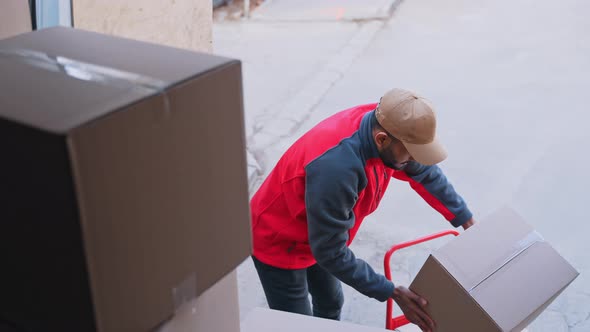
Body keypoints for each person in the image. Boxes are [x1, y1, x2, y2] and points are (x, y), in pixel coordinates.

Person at [249, 88, 475, 332]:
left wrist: (467, 220)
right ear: (381, 140)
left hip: (321, 234)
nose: (413, 160)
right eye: (410, 154)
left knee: (331, 300)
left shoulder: (388, 124)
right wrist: (391, 290)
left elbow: (424, 173)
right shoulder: (337, 169)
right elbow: (330, 252)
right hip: (280, 240)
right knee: (296, 325)